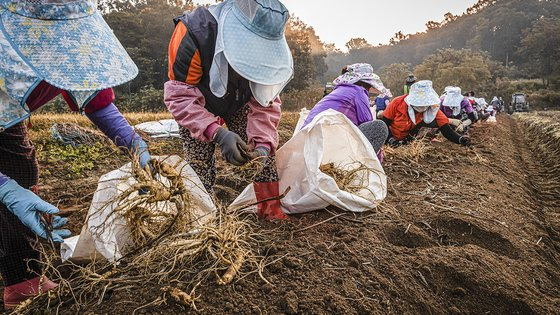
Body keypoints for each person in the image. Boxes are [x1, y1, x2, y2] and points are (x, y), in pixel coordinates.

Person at [0, 0, 150, 308]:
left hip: (7, 115)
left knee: (21, 174)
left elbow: (94, 96)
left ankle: (22, 281)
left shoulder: (66, 44)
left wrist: (134, 143)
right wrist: (4, 189)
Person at [164, 0, 293, 221]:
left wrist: (262, 147)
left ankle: (271, 212)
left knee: (265, 158)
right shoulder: (194, 32)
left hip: (239, 100)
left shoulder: (267, 40)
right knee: (198, 163)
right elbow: (180, 96)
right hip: (198, 99)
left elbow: (265, 102)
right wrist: (217, 133)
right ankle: (200, 219)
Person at [301, 63, 389, 159]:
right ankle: (361, 166)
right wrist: (378, 159)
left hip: (307, 143)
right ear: (365, 83)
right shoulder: (359, 91)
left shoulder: (338, 91)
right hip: (329, 144)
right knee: (379, 127)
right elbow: (367, 123)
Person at [381, 81, 470, 146]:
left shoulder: (432, 108)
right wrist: (390, 139)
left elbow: (445, 129)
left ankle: (407, 142)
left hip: (408, 138)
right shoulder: (397, 102)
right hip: (391, 136)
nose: (422, 106)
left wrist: (459, 139)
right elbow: (384, 123)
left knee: (432, 122)